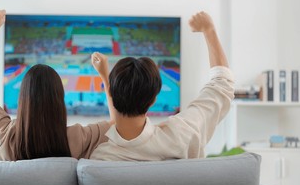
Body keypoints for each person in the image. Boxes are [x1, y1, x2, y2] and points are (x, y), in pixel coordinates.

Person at [90, 11, 235, 161]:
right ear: (153, 100)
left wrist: (106, 80)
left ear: (111, 95)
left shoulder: (100, 158)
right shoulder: (181, 135)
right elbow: (222, 84)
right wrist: (208, 29)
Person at [0, 10, 115, 160]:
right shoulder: (77, 138)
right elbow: (117, 125)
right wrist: (105, 77)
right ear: (59, 99)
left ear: (23, 100)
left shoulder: (5, 136)